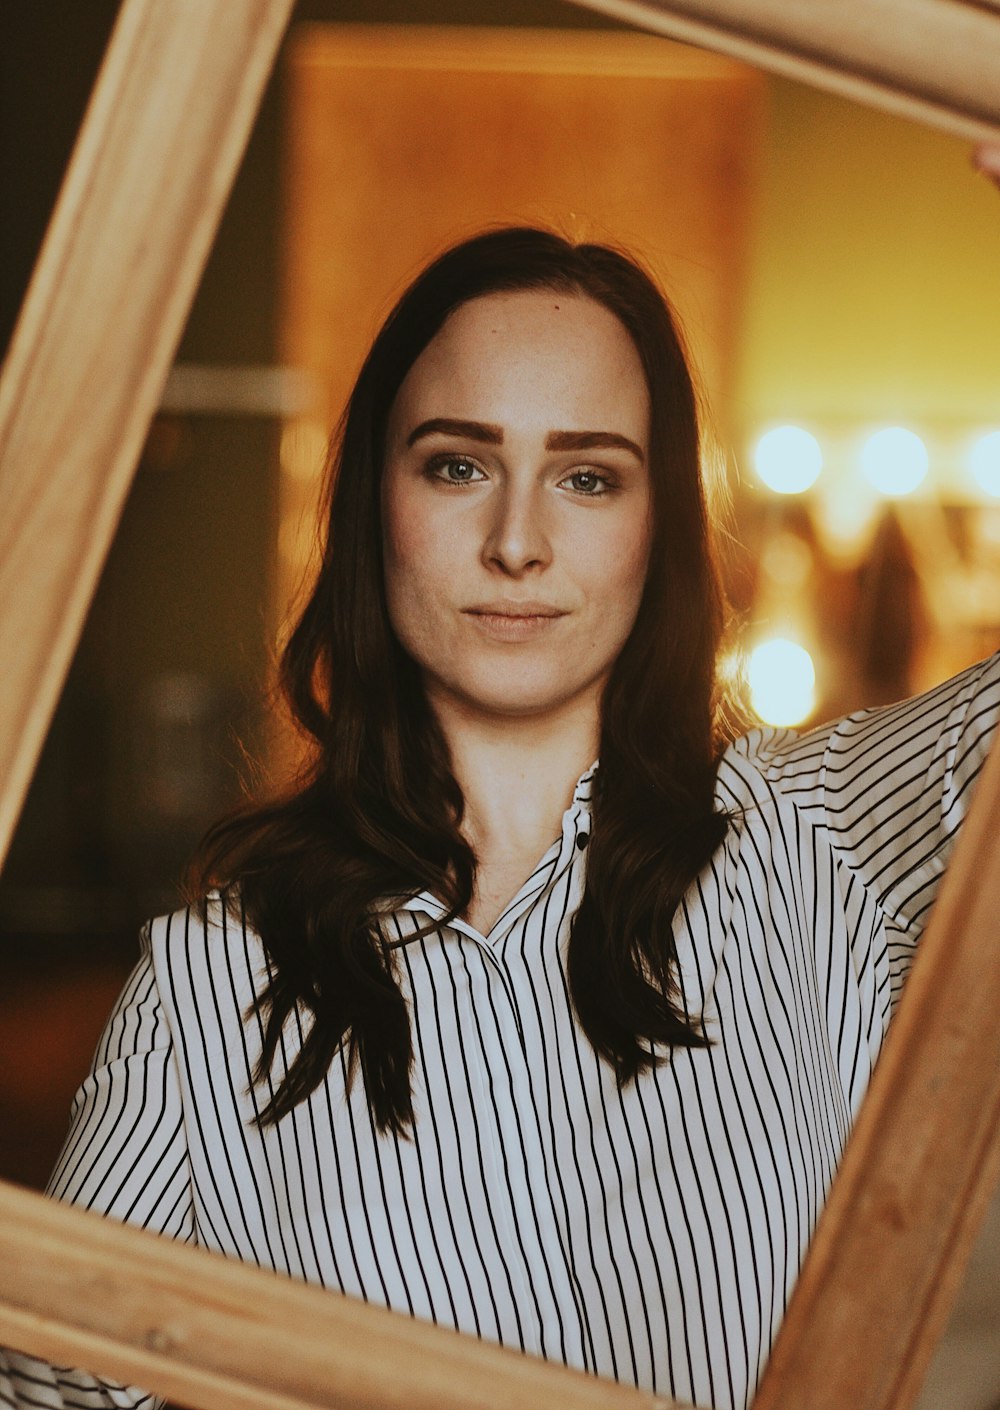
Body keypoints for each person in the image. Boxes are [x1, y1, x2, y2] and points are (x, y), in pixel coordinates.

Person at [3, 167, 1000, 1410]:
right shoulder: (212, 988)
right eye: (458, 466)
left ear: (659, 524)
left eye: (588, 477)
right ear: (378, 503)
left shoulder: (826, 837)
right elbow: (59, 1390)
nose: (518, 540)